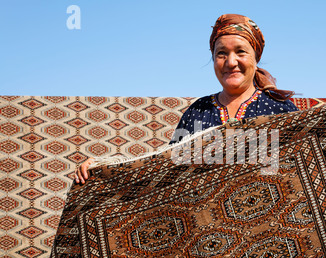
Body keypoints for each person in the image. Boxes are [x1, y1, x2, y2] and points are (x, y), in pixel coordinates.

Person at [74, 13, 298, 184]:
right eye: (221, 53)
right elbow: (165, 171)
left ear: (256, 58)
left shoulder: (279, 110)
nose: (230, 62)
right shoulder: (198, 112)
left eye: (240, 52)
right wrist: (104, 169)